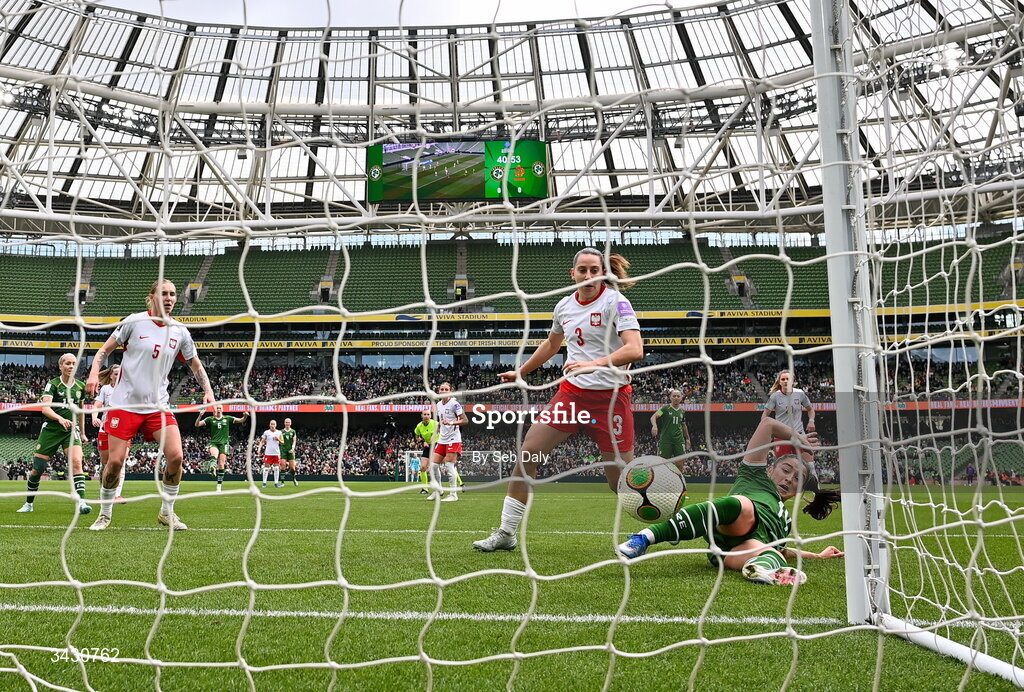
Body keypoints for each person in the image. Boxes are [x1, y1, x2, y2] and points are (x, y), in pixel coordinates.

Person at [474, 247, 644, 552]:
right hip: (572, 395)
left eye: (595, 270)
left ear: (603, 273)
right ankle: (506, 533)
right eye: (583, 270)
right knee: (529, 454)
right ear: (573, 274)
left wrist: (594, 364)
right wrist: (521, 372)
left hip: (611, 400)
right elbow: (552, 345)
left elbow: (634, 349)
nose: (589, 275)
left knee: (619, 480)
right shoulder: (564, 306)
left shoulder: (616, 303)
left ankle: (658, 529)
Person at [617, 417, 844, 585]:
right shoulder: (753, 476)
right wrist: (798, 439)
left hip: (731, 551)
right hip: (733, 520)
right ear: (770, 468)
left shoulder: (784, 521)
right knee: (741, 505)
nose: (788, 479)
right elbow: (767, 425)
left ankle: (761, 570)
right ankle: (643, 539)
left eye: (797, 480)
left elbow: (785, 551)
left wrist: (816, 556)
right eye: (785, 470)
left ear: (798, 491)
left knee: (771, 553)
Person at [85, 279, 215, 531]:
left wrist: (208, 391)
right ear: (152, 297)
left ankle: (167, 512)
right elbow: (103, 351)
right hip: (124, 406)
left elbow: (195, 365)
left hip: (158, 406)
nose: (169, 298)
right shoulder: (134, 322)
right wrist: (93, 373)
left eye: (173, 294)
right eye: (164, 293)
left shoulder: (180, 331)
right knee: (115, 463)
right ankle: (105, 513)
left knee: (176, 456)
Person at [16, 353, 92, 515]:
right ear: (61, 366)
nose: (71, 366)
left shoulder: (80, 386)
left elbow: (81, 412)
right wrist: (59, 419)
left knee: (77, 463)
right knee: (38, 469)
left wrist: (83, 433)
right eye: (68, 364)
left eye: (73, 364)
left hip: (71, 432)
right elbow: (45, 408)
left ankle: (82, 502)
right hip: (51, 430)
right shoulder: (53, 385)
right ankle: (29, 504)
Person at [762, 370, 815, 465]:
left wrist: (811, 421)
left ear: (793, 380)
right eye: (783, 379)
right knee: (781, 465)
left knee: (810, 465)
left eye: (788, 379)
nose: (786, 381)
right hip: (782, 435)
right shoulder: (775, 396)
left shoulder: (800, 394)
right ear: (779, 382)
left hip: (799, 434)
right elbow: (765, 414)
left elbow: (810, 409)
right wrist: (765, 430)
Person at [91, 364, 126, 504]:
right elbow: (96, 406)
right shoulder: (105, 389)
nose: (118, 376)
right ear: (111, 375)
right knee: (105, 464)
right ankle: (103, 493)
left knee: (120, 462)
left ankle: (117, 494)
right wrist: (95, 417)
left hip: (123, 430)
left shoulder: (127, 390)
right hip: (105, 429)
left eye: (120, 374)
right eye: (116, 374)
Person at [196, 405, 249, 493]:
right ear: (215, 410)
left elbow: (241, 420)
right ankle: (212, 467)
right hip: (214, 442)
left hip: (224, 444)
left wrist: (245, 416)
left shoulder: (227, 418)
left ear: (222, 409)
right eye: (217, 408)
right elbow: (197, 424)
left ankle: (219, 486)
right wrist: (200, 415)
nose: (218, 409)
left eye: (220, 408)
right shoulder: (210, 419)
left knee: (221, 465)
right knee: (214, 455)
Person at [429, 382, 467, 502]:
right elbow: (441, 422)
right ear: (439, 391)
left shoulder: (454, 404)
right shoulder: (439, 405)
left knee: (449, 466)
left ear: (450, 391)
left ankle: (453, 494)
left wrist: (451, 423)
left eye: (446, 389)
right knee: (433, 466)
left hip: (453, 439)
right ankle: (438, 490)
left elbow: (465, 420)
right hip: (442, 439)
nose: (444, 391)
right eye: (442, 389)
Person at [651, 389, 691, 470]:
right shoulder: (665, 409)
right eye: (674, 396)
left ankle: (678, 481)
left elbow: (683, 425)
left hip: (679, 440)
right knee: (663, 464)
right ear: (670, 397)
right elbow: (654, 417)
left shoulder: (682, 411)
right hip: (666, 440)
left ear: (681, 398)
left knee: (680, 464)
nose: (676, 398)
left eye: (678, 396)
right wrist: (654, 426)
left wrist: (687, 439)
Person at [413, 408, 438, 493]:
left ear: (431, 416)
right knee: (423, 467)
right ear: (421, 416)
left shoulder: (435, 424)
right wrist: (423, 441)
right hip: (428, 447)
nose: (426, 416)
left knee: (448, 465)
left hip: (437, 445)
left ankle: (460, 484)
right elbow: (417, 437)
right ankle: (425, 489)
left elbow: (443, 432)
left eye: (428, 414)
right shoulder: (419, 426)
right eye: (425, 414)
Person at [258, 420, 284, 488]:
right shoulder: (266, 432)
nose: (272, 425)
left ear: (276, 425)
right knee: (266, 468)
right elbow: (262, 441)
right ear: (269, 425)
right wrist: (259, 448)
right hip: (268, 453)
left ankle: (276, 483)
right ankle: (264, 483)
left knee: (276, 468)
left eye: (274, 424)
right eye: (271, 424)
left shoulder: (279, 432)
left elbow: (283, 443)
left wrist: (278, 439)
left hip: (276, 453)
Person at [280, 418, 299, 486]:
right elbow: (280, 441)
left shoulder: (293, 431)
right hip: (283, 450)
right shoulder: (281, 432)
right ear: (284, 423)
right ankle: (282, 482)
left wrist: (293, 448)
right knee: (283, 466)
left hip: (291, 451)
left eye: (288, 422)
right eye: (286, 422)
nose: (287, 423)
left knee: (292, 467)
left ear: (290, 423)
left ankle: (294, 479)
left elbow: (294, 441)